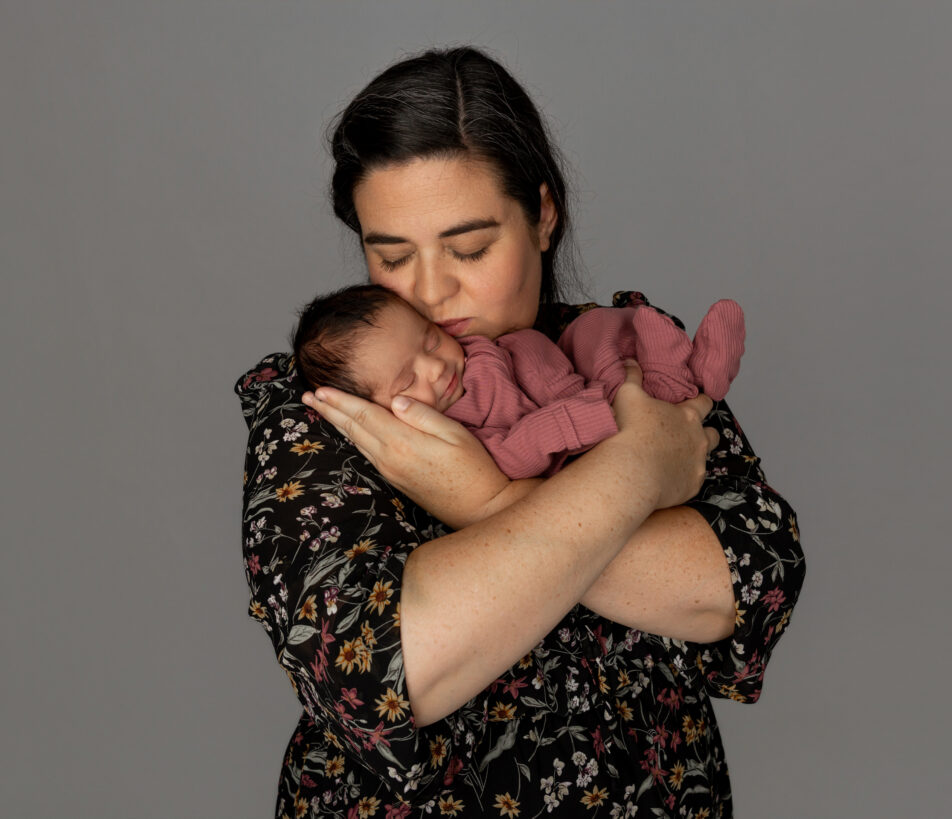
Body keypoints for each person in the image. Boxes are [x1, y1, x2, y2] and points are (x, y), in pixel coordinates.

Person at [235, 46, 804, 818]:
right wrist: (637, 467)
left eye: (469, 248)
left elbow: (740, 588)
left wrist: (494, 502)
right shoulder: (329, 402)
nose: (432, 293)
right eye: (390, 256)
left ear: (542, 214)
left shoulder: (626, 348)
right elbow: (383, 672)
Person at [291, 283, 746, 482]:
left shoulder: (472, 351)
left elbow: (523, 351)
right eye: (409, 381)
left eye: (430, 341)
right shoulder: (452, 432)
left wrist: (524, 350)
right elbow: (516, 449)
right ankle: (674, 382)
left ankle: (690, 366)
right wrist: (602, 411)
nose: (436, 368)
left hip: (572, 377)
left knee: (597, 329)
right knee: (630, 386)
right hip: (589, 437)